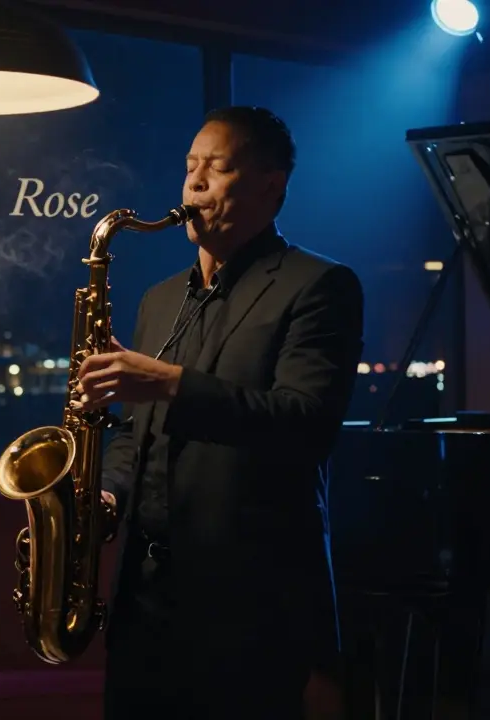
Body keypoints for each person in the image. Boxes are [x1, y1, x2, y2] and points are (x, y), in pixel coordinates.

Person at [77, 106, 364, 719]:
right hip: (146, 600)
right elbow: (137, 431)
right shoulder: (158, 299)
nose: (194, 183)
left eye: (219, 167)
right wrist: (107, 491)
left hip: (249, 603)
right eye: (189, 166)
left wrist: (172, 383)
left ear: (272, 184)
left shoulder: (320, 285)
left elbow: (306, 423)